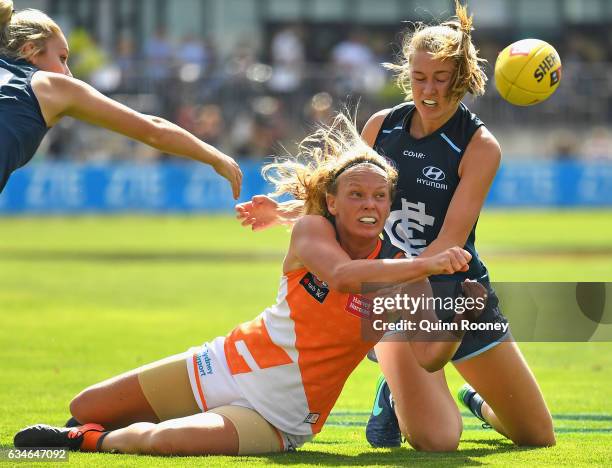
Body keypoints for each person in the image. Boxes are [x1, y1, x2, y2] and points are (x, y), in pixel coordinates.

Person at [14, 114, 478, 456]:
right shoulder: (312, 231)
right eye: (356, 194)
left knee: (161, 441)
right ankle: (90, 426)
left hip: (277, 415)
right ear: (332, 203)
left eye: (380, 196)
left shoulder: (404, 273)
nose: (370, 204)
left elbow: (430, 355)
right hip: (226, 362)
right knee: (86, 402)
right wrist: (429, 264)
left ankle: (88, 441)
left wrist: (461, 318)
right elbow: (340, 278)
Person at [235, 0, 555, 451]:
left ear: (461, 78)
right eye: (420, 77)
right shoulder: (383, 125)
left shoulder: (480, 145)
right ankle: (395, 378)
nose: (429, 90)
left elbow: (448, 245)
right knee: (436, 440)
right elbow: (341, 201)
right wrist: (284, 210)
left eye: (441, 78)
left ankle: (473, 401)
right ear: (408, 75)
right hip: (389, 290)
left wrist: (440, 303)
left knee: (536, 437)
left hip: (456, 288)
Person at [0, 1, 241, 197]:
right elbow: (153, 130)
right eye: (62, 58)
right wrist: (215, 156)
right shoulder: (50, 85)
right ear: (29, 50)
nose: (68, 73)